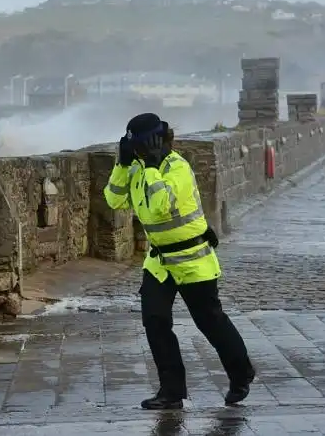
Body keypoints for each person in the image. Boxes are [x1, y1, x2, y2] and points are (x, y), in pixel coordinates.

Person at [103, 112, 255, 410]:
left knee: (209, 322)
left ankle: (241, 374)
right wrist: (122, 166)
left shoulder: (178, 168)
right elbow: (114, 199)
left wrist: (150, 167)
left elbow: (159, 206)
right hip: (160, 262)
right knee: (155, 321)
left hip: (192, 259)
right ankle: (171, 392)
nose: (132, 150)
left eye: (136, 145)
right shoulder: (135, 168)